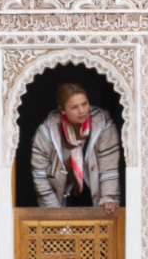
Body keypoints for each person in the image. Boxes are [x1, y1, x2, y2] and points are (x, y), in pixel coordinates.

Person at [30, 82, 121, 212]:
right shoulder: (47, 131)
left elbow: (109, 165)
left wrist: (109, 197)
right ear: (62, 110)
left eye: (84, 104)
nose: (82, 111)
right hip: (59, 197)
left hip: (95, 196)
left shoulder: (103, 125)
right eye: (74, 107)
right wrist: (54, 210)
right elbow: (39, 174)